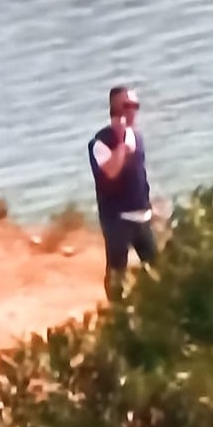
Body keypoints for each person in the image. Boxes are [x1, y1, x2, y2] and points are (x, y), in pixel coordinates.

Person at [88, 85, 157, 300]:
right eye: (128, 105)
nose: (133, 110)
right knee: (117, 271)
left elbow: (139, 174)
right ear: (115, 109)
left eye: (135, 105)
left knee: (157, 268)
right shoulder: (100, 143)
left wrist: (151, 206)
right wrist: (121, 145)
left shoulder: (137, 137)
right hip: (117, 219)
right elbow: (111, 172)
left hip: (141, 215)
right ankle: (116, 316)